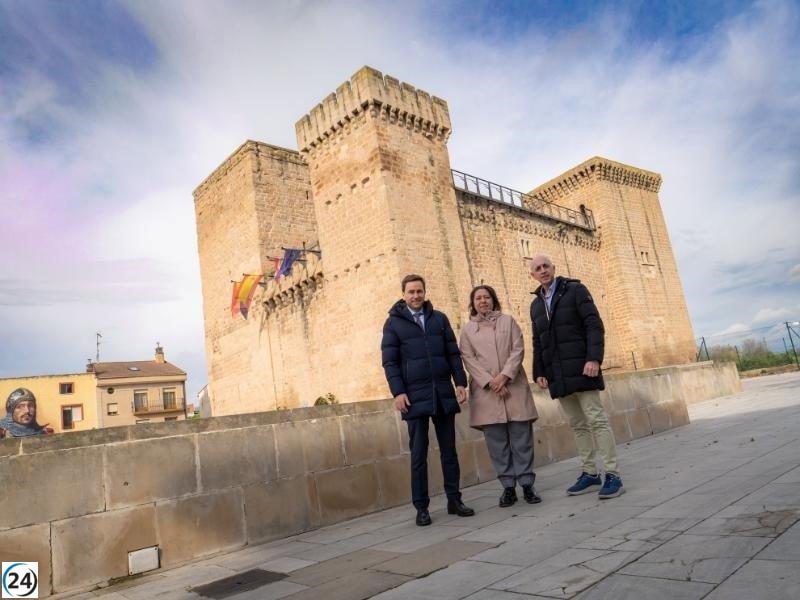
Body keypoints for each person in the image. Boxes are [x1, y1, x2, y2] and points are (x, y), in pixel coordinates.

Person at [381, 274, 475, 526]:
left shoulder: (439, 319)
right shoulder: (393, 324)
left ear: (425, 292)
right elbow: (390, 362)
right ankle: (421, 508)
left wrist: (461, 382)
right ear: (403, 294)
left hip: (442, 392)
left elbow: (453, 353)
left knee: (449, 452)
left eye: (419, 291)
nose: (415, 296)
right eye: (411, 292)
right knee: (418, 455)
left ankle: (454, 500)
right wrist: (398, 392)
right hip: (413, 397)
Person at [529, 255, 624, 498]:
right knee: (578, 424)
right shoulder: (536, 305)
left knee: (597, 420)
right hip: (558, 373)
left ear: (554, 268)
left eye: (546, 266)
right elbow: (538, 341)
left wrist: (594, 358)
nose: (543, 271)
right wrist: (539, 371)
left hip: (583, 367)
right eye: (537, 268)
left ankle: (612, 474)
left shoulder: (575, 290)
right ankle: (590, 473)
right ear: (533, 274)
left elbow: (594, 324)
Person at [459, 285, 541, 507]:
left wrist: (504, 376)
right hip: (487, 393)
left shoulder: (508, 322)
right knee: (497, 444)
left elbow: (518, 349)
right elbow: (468, 358)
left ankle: (526, 484)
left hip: (513, 387)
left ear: (493, 300)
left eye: (487, 297)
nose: (483, 301)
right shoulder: (467, 330)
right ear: (473, 303)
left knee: (522, 439)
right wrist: (491, 382)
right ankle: (508, 487)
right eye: (478, 298)